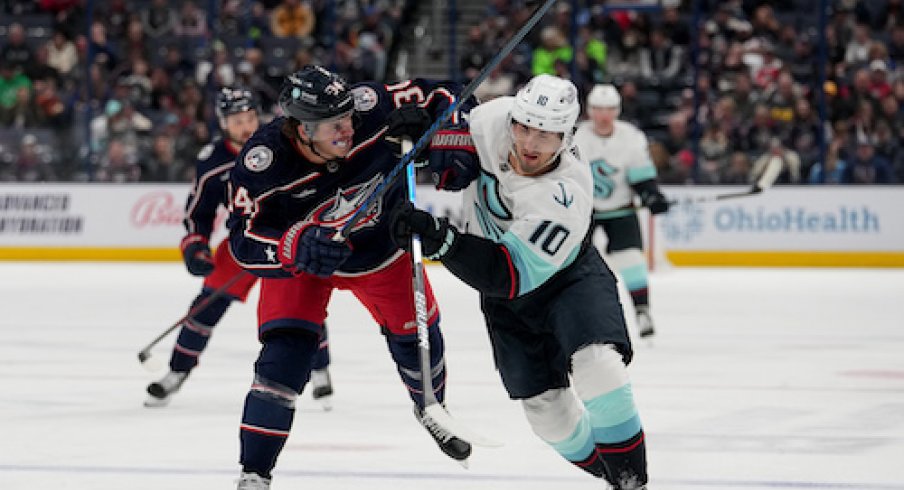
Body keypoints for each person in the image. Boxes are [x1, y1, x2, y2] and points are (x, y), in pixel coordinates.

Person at [391, 74, 649, 489]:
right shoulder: (493, 119)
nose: (529, 143)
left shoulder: (564, 195)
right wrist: (423, 132)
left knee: (599, 367)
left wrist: (443, 241)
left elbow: (506, 275)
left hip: (566, 279)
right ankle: (614, 478)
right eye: (524, 127)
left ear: (566, 137)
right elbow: (452, 112)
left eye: (545, 135)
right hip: (506, 296)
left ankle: (632, 483)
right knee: (548, 416)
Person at [226, 65, 474, 489]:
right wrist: (291, 245)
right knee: (283, 358)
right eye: (332, 125)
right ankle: (254, 473)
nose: (347, 129)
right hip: (306, 262)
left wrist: (450, 135)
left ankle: (431, 407)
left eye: (347, 118)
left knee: (421, 337)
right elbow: (242, 239)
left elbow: (451, 93)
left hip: (380, 251)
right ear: (301, 129)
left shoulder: (370, 107)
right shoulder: (261, 164)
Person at [145, 87, 334, 409]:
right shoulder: (214, 162)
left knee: (301, 307)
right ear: (223, 123)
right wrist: (196, 247)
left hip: (287, 242)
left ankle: (320, 371)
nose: (245, 126)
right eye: (236, 121)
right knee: (204, 308)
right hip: (242, 243)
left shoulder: (282, 143)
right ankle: (176, 372)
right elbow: (198, 212)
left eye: (249, 118)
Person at [573, 84, 670, 338]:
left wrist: (651, 195)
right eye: (598, 109)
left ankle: (642, 311)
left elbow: (641, 179)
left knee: (631, 260)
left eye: (609, 110)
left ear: (617, 110)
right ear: (589, 111)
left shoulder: (631, 137)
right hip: (585, 212)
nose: (603, 116)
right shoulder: (576, 137)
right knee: (571, 263)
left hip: (621, 209)